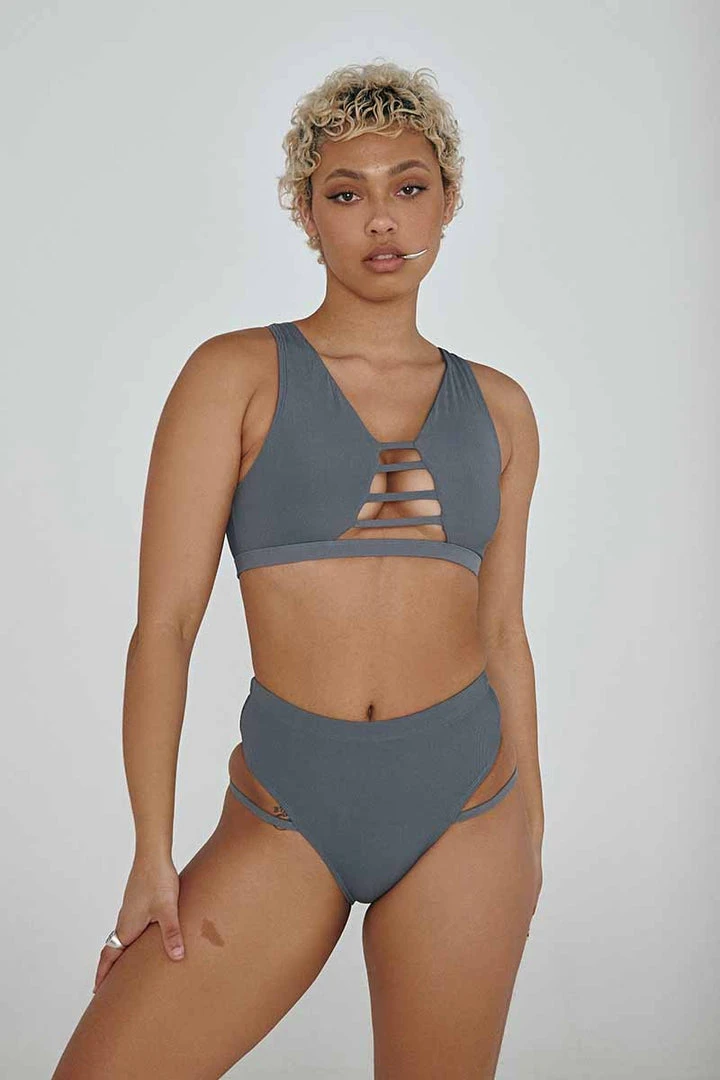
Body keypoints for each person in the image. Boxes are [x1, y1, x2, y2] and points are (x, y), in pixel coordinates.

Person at [52, 59, 543, 1079]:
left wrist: (529, 830)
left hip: (467, 807)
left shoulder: (500, 410)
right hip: (287, 807)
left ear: (449, 201)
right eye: (345, 193)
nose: (382, 219)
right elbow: (166, 626)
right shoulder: (234, 376)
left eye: (410, 186)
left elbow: (503, 630)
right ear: (307, 214)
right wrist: (151, 851)